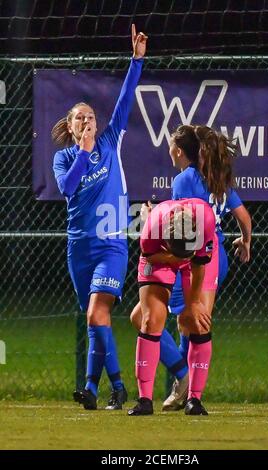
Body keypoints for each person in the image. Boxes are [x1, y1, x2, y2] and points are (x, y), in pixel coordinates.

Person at [52, 25, 148, 410]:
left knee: (97, 310)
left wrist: (136, 61)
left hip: (111, 243)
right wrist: (83, 152)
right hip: (79, 249)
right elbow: (67, 188)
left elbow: (125, 99)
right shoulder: (64, 158)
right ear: (71, 126)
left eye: (90, 116)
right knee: (96, 319)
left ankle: (113, 386)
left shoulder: (110, 142)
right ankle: (101, 389)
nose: (87, 121)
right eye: (80, 118)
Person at [130, 124, 252, 413]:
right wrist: (246, 242)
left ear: (179, 150)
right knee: (163, 318)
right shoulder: (216, 179)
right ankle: (183, 382)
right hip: (203, 252)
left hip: (202, 254)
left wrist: (194, 299)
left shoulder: (185, 181)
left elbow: (189, 236)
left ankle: (187, 387)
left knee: (191, 320)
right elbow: (243, 216)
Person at [128, 197, 217, 416]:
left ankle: (194, 400)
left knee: (199, 321)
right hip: (160, 258)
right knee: (150, 320)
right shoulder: (152, 230)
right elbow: (150, 255)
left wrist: (194, 303)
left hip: (195, 262)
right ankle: (144, 400)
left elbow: (198, 266)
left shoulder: (205, 221)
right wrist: (172, 257)